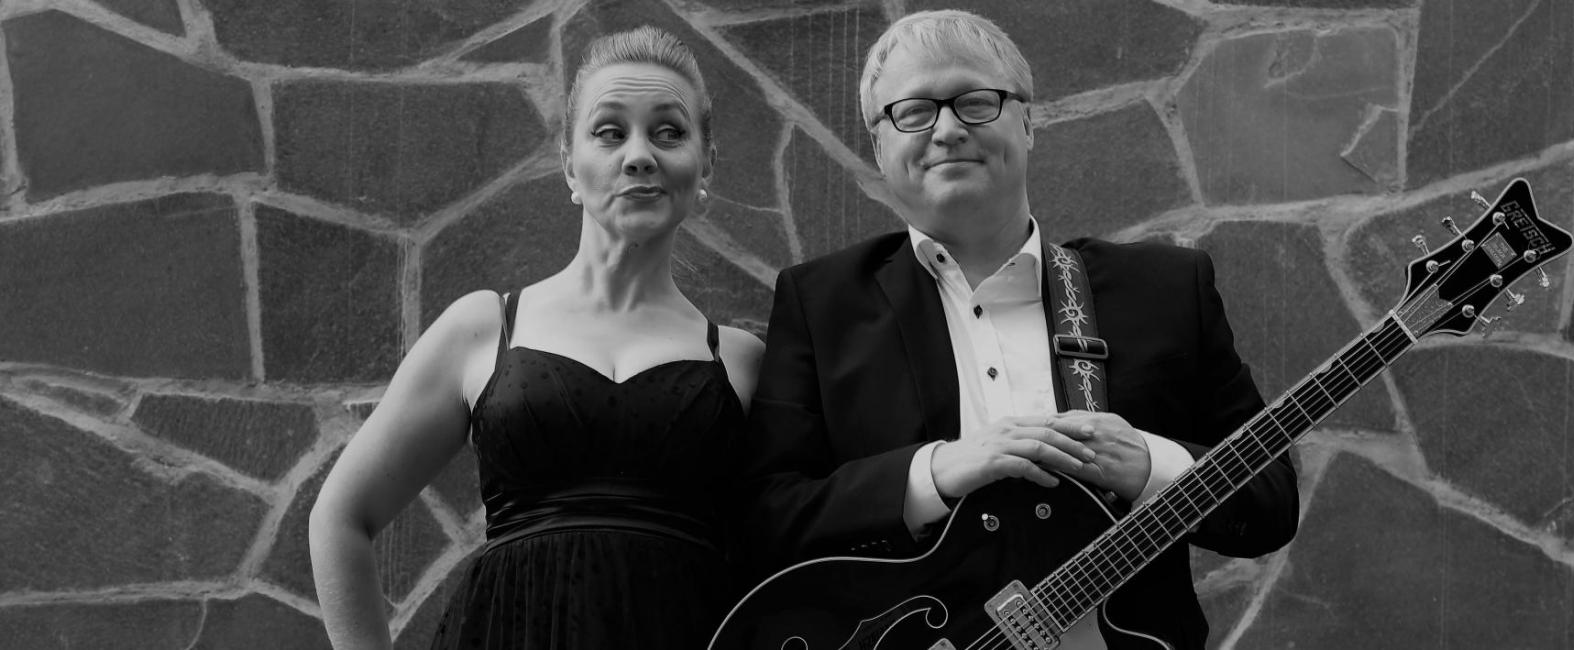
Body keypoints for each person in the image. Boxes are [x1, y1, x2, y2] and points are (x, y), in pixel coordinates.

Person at [741, 10, 1298, 648]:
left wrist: (1153, 465)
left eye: (977, 102)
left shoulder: (1166, 291)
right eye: (913, 111)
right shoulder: (822, 304)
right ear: (878, 147)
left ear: (1027, 123)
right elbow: (767, 518)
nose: (947, 129)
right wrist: (933, 472)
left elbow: (1271, 500)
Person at [308, 26, 763, 650]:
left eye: (668, 132)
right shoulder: (484, 328)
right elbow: (340, 518)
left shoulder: (741, 363)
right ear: (570, 163)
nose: (639, 155)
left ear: (704, 162)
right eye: (610, 132)